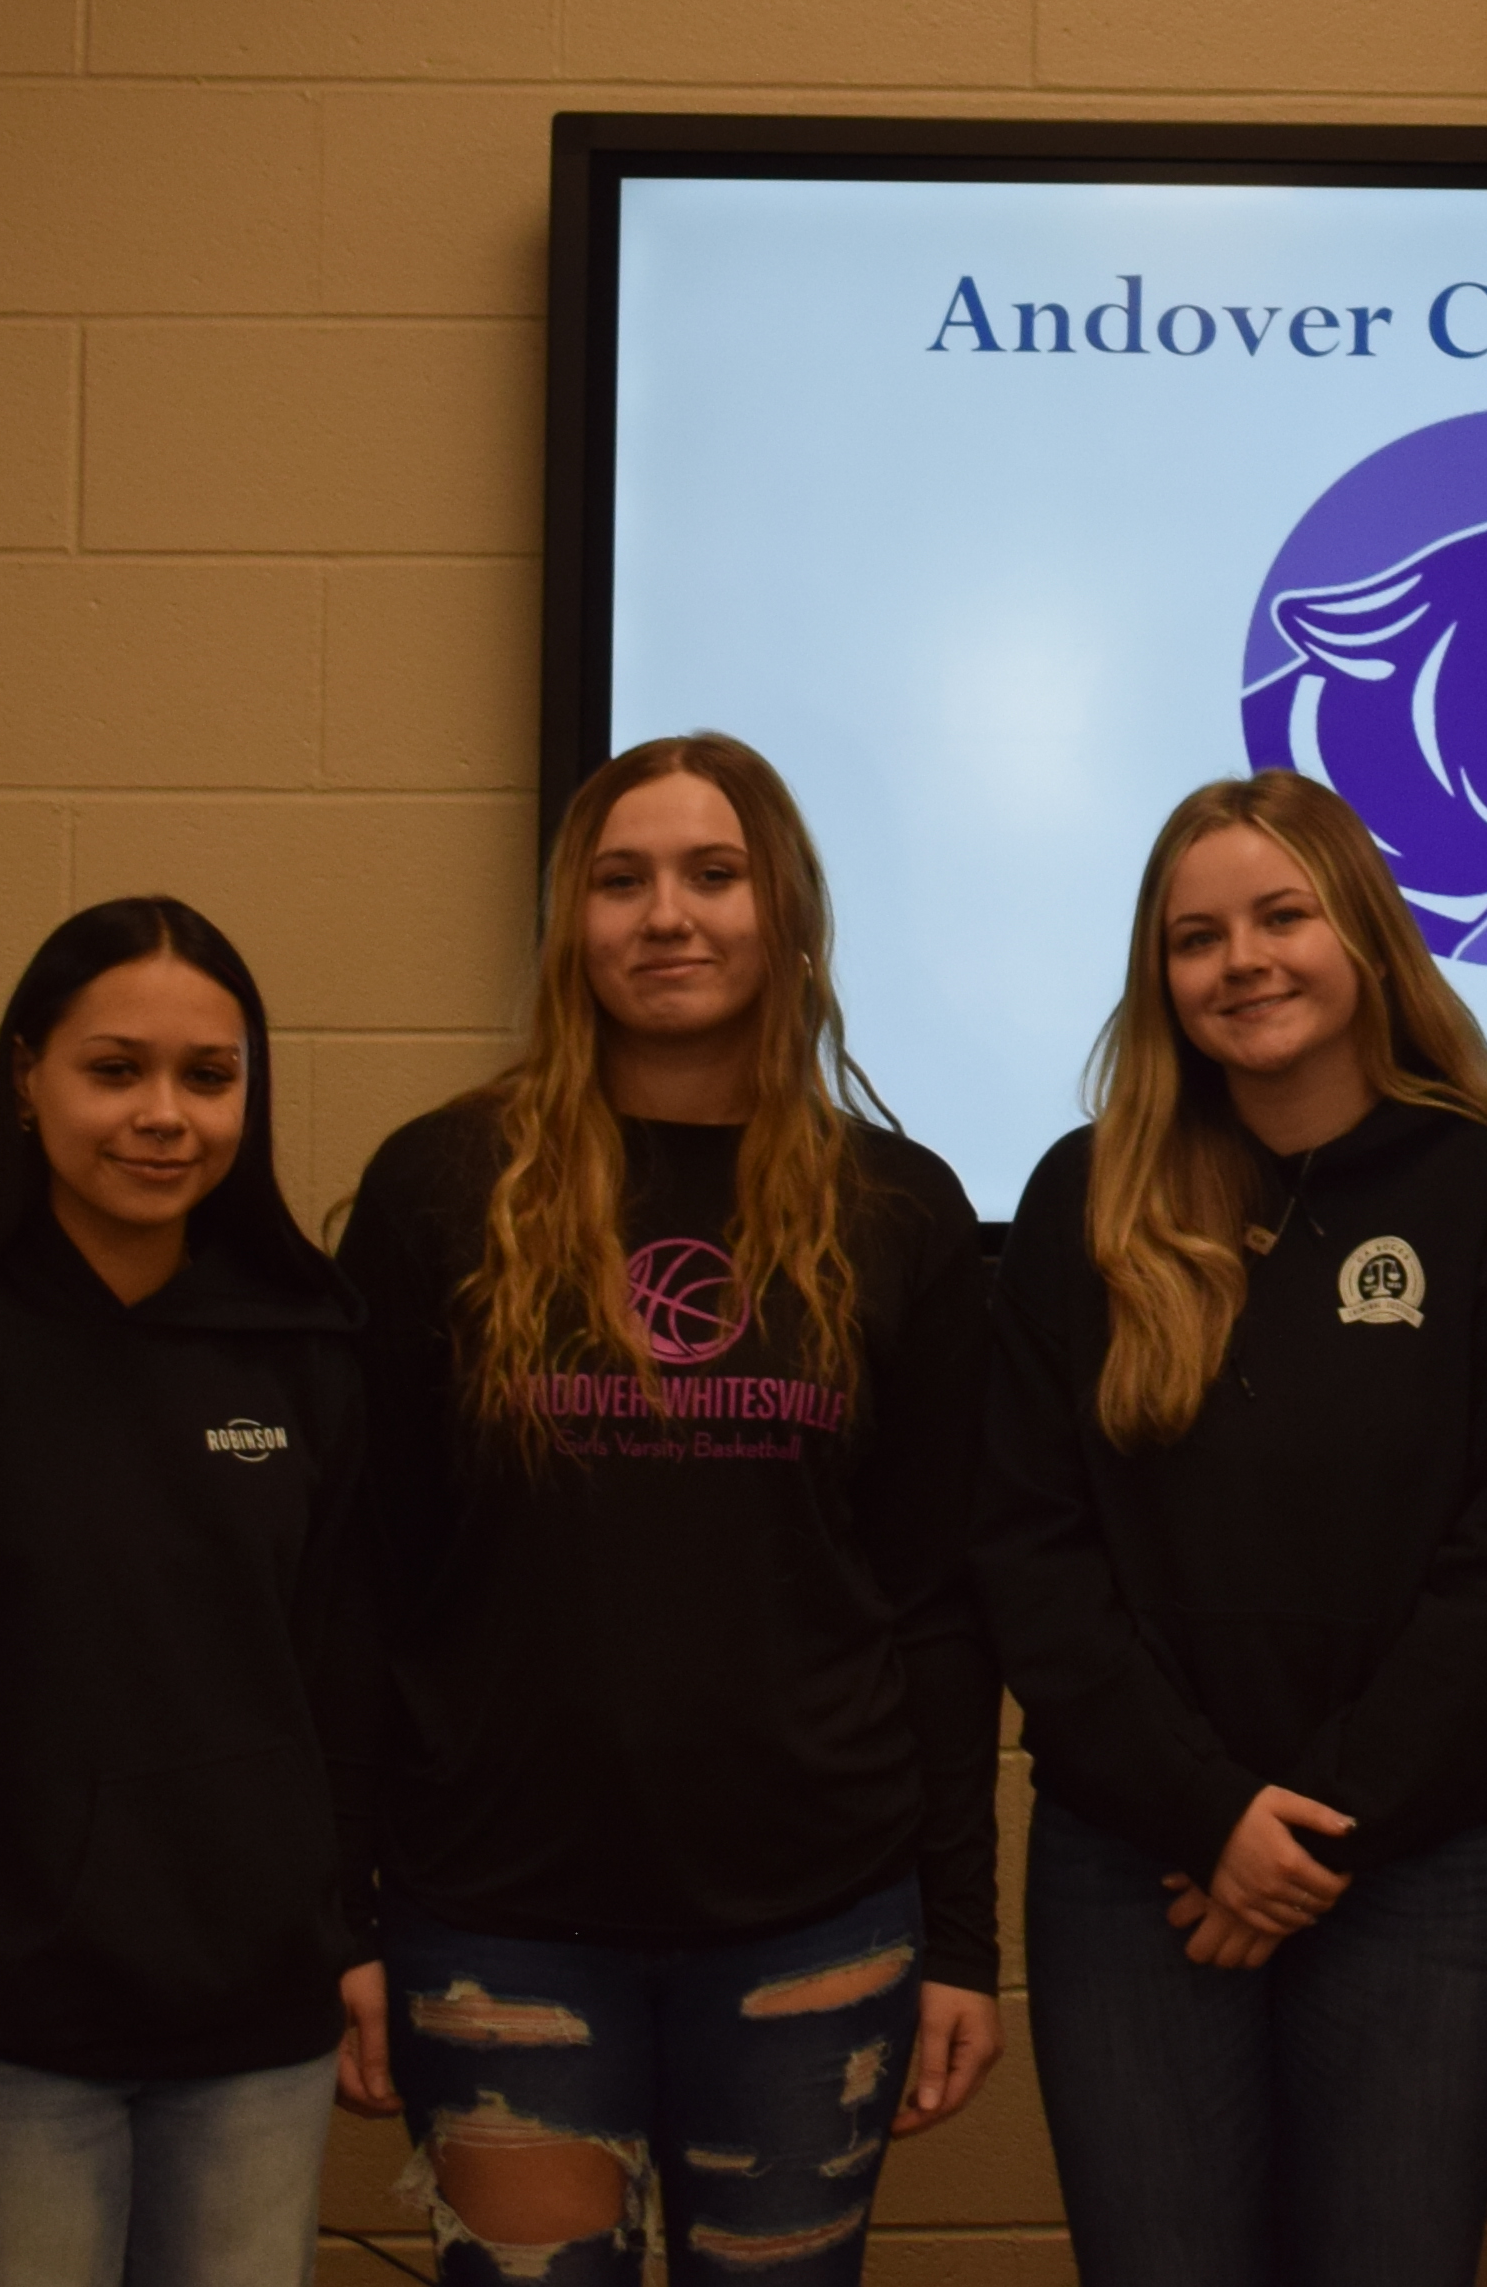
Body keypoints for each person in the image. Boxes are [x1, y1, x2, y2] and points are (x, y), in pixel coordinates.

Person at [336, 731, 1002, 2286]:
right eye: (622, 882)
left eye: (715, 875)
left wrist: (963, 1939)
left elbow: (940, 1607)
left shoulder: (898, 1210)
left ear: (787, 916)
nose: (669, 916)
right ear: (573, 921)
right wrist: (346, 1917)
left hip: (814, 1921)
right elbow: (360, 1584)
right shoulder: (441, 1187)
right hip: (494, 1920)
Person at [984, 771, 1487, 2287]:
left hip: (1432, 1863)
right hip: (1141, 1862)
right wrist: (1209, 1814)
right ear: (1161, 976)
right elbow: (1026, 1554)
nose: (1243, 961)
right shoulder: (1083, 1203)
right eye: (1197, 937)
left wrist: (1311, 1825)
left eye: (1283, 916)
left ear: (1368, 937)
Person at [0, 898, 378, 2287]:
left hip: (255, 2035)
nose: (163, 1116)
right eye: (116, 1071)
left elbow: (344, 1679)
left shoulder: (312, 1361)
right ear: (26, 1080)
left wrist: (354, 1935)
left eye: (208, 1078)